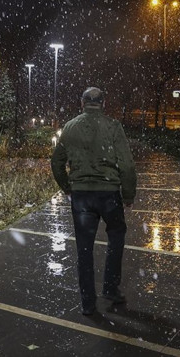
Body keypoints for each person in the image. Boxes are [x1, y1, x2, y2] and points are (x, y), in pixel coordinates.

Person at [51, 87, 137, 315]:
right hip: (109, 193)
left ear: (82, 103)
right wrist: (128, 194)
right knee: (116, 235)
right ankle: (110, 287)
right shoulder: (113, 126)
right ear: (103, 103)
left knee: (84, 248)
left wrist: (68, 187)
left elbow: (56, 163)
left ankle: (88, 303)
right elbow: (127, 164)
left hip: (81, 196)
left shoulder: (70, 127)